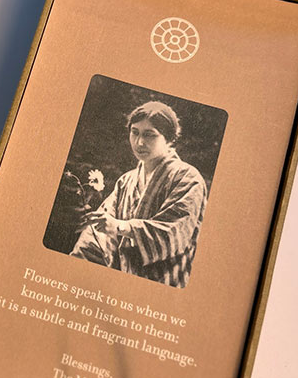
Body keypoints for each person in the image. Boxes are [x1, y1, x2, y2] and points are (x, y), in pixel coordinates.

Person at [70, 101, 207, 288]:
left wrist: (121, 227)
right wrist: (75, 265)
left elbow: (174, 233)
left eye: (150, 135)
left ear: (169, 138)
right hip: (121, 285)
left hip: (166, 285)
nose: (139, 142)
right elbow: (98, 232)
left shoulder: (188, 178)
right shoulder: (126, 181)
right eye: (135, 132)